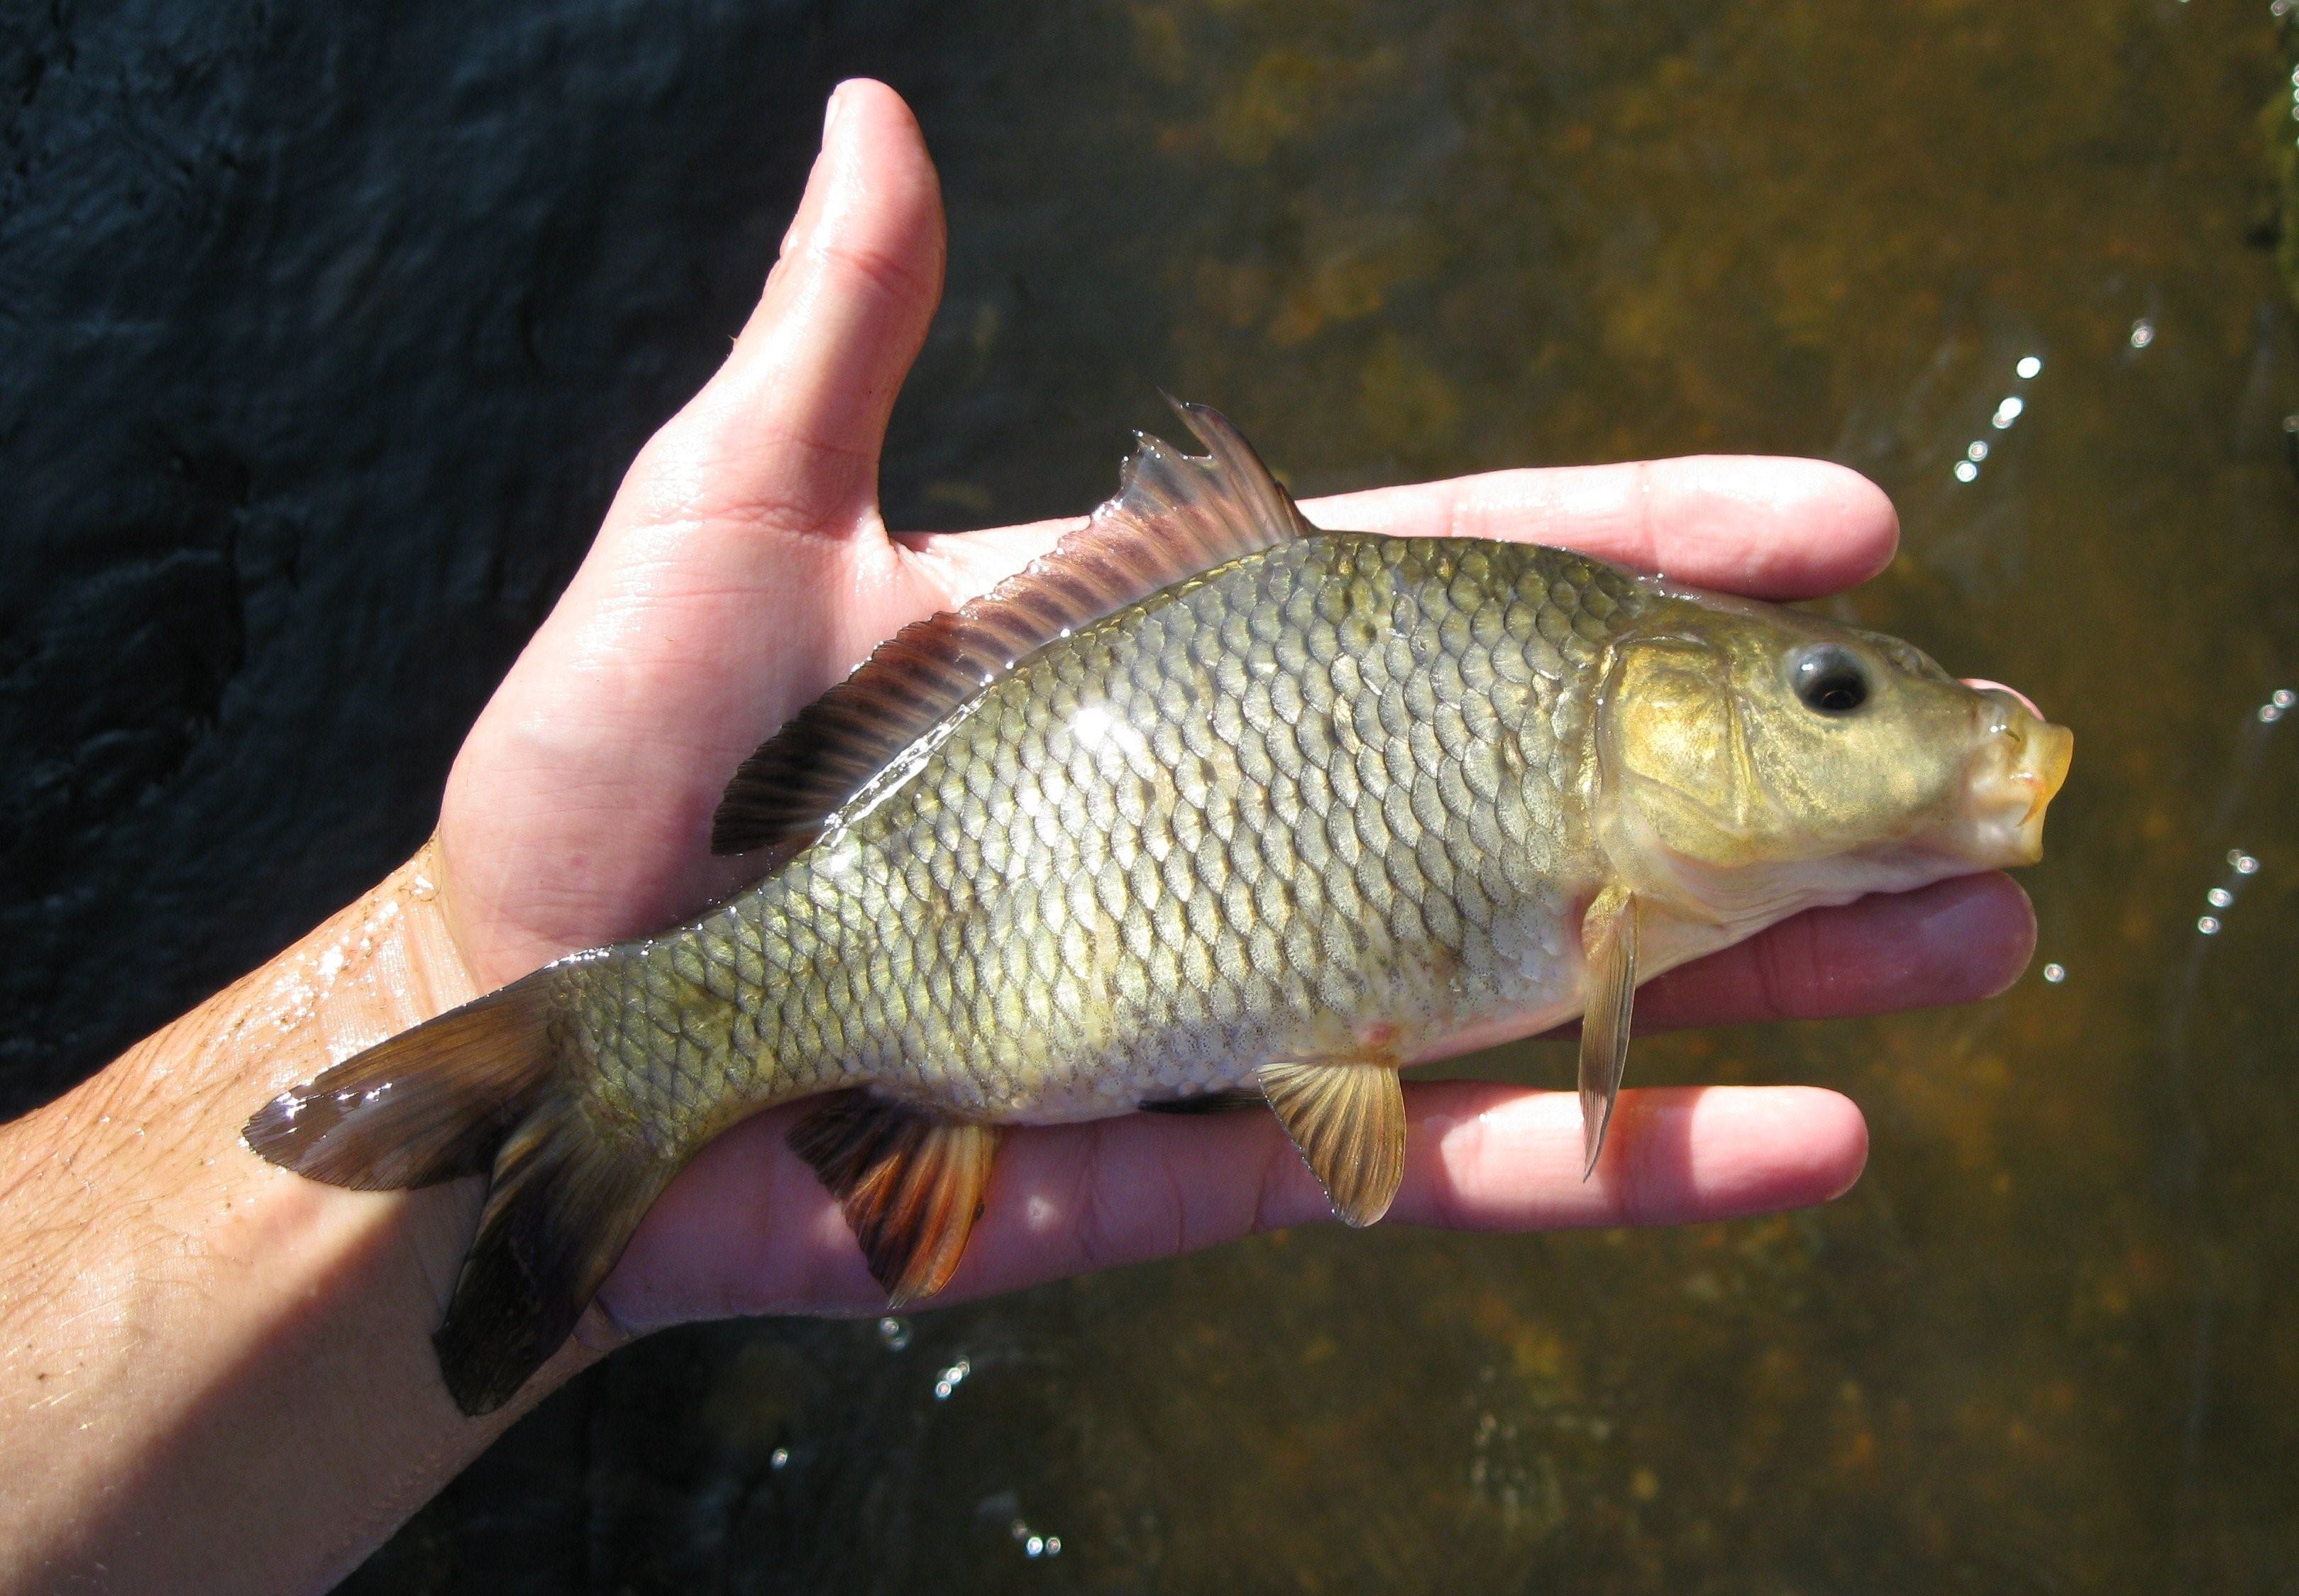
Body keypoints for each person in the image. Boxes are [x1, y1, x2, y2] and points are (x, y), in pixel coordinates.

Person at [0, 80, 2034, 1593]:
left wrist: (460, 964)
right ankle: (573, 1076)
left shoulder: (1631, 862)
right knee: (661, 1043)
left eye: (1827, 683)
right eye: (1824, 694)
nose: (1839, 698)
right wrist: (466, 966)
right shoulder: (1605, 888)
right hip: (903, 947)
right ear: (1659, 716)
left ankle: (532, 1113)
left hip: (949, 989)